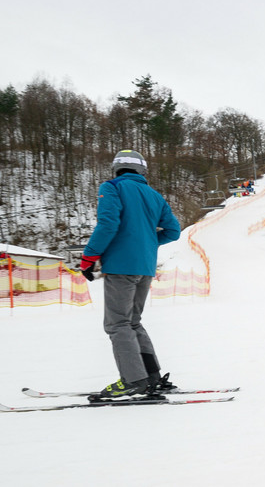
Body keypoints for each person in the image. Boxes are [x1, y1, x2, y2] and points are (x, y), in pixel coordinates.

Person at [80, 150, 181, 401]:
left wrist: (89, 257)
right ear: (142, 171)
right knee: (133, 321)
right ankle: (151, 376)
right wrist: (147, 243)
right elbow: (173, 231)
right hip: (145, 267)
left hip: (121, 266)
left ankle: (133, 380)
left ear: (116, 168)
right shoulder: (154, 195)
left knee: (118, 324)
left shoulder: (111, 187)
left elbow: (108, 224)